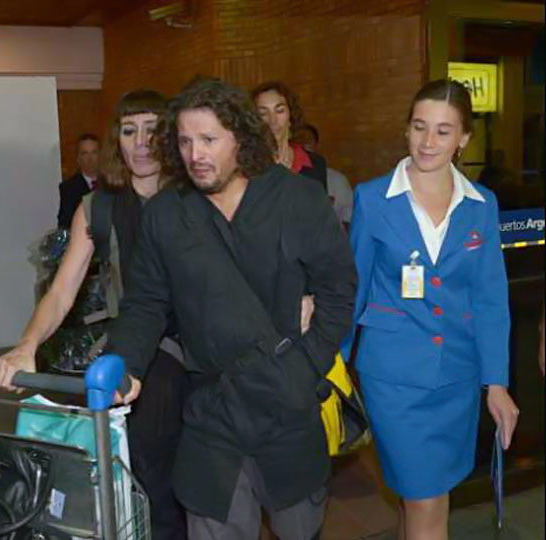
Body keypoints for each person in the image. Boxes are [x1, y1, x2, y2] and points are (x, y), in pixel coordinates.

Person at [110, 77, 356, 539]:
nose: (195, 154)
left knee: (300, 529)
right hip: (212, 408)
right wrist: (125, 364)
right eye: (184, 141)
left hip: (285, 402)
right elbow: (145, 302)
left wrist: (307, 365)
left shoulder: (297, 199)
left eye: (208, 140)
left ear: (240, 139)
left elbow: (339, 288)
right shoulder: (167, 214)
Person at [0, 90, 188, 540]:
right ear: (116, 139)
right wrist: (26, 347)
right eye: (130, 131)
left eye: (153, 131)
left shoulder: (195, 196)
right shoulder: (98, 207)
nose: (140, 143)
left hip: (203, 349)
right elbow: (61, 293)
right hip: (142, 349)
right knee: (148, 471)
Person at [341, 79, 519, 540]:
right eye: (420, 127)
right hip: (393, 379)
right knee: (426, 499)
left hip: (457, 379)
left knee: (422, 497)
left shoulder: (482, 205)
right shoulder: (372, 199)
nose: (427, 142)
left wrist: (496, 383)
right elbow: (352, 289)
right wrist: (331, 367)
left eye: (443, 131)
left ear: (463, 139)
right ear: (406, 130)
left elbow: (489, 299)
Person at [251, 80, 328, 190]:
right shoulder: (247, 165)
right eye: (263, 113)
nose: (272, 120)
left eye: (280, 111)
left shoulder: (315, 163)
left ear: (291, 116)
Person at [302, 123, 354, 230]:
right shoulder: (284, 180)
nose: (304, 147)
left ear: (316, 145)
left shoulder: (337, 180)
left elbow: (349, 218)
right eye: (299, 143)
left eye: (308, 142)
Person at [57, 133, 102, 229]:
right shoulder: (68, 188)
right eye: (85, 153)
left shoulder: (112, 183)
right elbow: (65, 224)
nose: (90, 159)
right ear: (78, 158)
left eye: (94, 152)